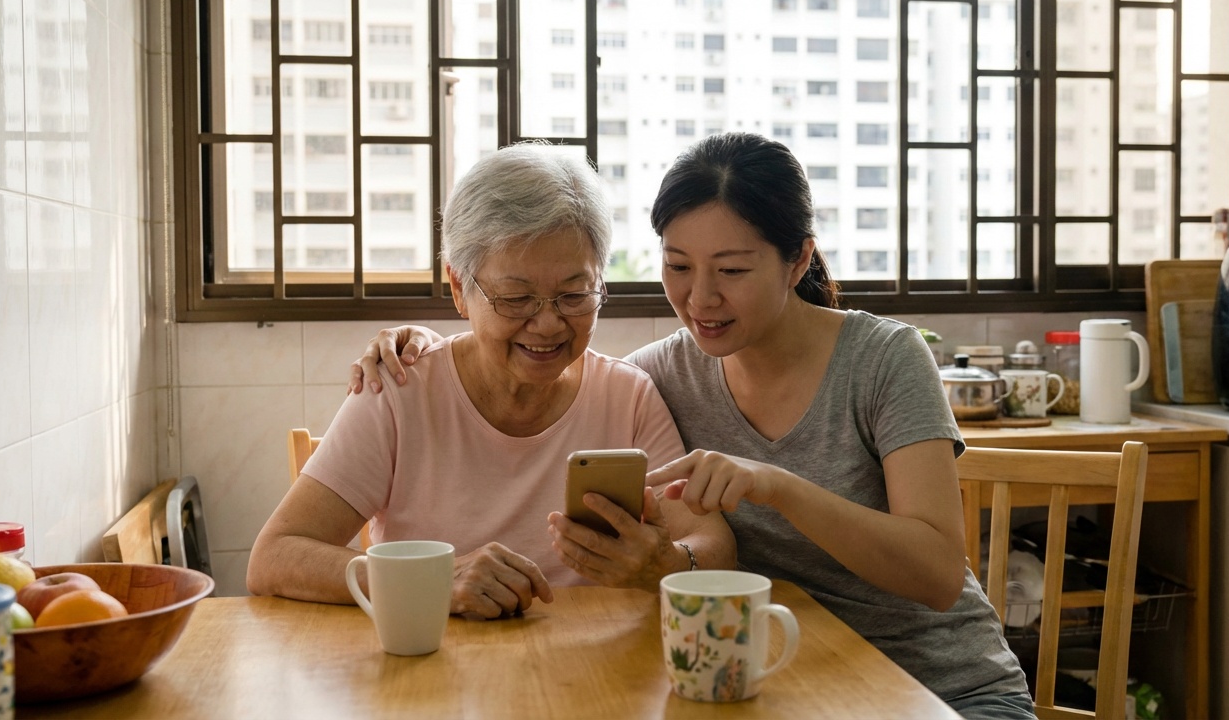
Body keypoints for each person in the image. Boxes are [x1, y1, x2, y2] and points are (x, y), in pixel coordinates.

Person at [349, 133, 1033, 718]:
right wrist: (429, 343)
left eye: (731, 271)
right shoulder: (662, 377)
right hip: (774, 682)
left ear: (798, 259)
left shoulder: (885, 359)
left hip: (938, 690)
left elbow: (939, 574)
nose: (700, 300)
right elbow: (552, 361)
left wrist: (778, 486)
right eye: (677, 268)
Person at [248, 143, 734, 620]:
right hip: (431, 674)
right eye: (516, 298)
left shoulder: (627, 397)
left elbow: (712, 545)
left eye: (574, 294)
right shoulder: (400, 390)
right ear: (459, 287)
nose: (547, 325)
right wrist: (431, 580)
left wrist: (667, 564)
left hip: (590, 678)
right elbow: (274, 558)